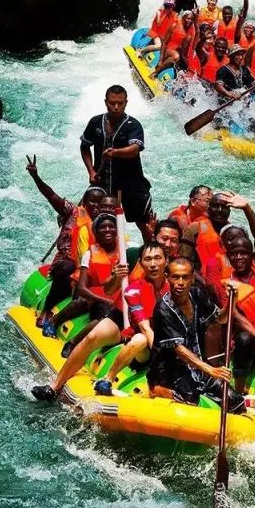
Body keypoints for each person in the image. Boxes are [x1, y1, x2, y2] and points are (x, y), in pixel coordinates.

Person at [30, 213, 129, 400]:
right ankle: (70, 339)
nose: (108, 230)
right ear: (95, 232)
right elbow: (83, 288)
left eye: (111, 227)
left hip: (118, 298)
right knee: (92, 309)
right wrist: (106, 299)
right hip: (96, 295)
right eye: (103, 227)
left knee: (105, 313)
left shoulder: (126, 251)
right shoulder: (90, 253)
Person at [147, 257, 244, 411]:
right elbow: (179, 350)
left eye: (185, 277)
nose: (180, 282)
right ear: (167, 278)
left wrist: (232, 301)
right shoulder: (163, 309)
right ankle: (157, 390)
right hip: (170, 372)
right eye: (175, 277)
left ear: (192, 278)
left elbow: (220, 318)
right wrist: (210, 369)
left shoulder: (197, 294)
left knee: (236, 401)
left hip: (198, 366)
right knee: (190, 402)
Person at [25, 155, 106, 329]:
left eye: (100, 203)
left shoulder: (106, 224)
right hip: (67, 262)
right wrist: (35, 176)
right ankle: (47, 309)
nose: (96, 207)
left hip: (91, 268)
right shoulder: (72, 212)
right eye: (92, 202)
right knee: (68, 267)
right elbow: (51, 195)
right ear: (85, 202)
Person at [94, 242, 170, 396]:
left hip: (171, 342)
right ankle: (108, 379)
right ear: (141, 263)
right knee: (139, 339)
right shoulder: (133, 291)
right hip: (147, 350)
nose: (153, 264)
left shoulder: (175, 286)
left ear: (166, 261)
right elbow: (145, 327)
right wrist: (162, 357)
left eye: (158, 258)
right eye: (148, 260)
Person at [80, 85, 153, 240]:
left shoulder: (133, 125)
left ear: (126, 103)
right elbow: (85, 146)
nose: (116, 107)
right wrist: (91, 171)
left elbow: (134, 149)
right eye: (112, 103)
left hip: (131, 183)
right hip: (103, 183)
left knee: (143, 223)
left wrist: (115, 153)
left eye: (120, 103)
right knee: (100, 222)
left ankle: (151, 250)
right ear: (105, 102)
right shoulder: (95, 122)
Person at [219, 236, 255, 390]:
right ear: (228, 257)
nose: (238, 257)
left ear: (252, 256)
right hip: (247, 340)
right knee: (245, 339)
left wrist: (247, 210)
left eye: (243, 253)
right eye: (234, 254)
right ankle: (239, 389)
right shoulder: (227, 283)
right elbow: (235, 316)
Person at [184, 191, 255, 278]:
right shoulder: (195, 229)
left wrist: (246, 208)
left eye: (224, 207)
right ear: (222, 244)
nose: (220, 210)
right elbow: (183, 261)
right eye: (216, 206)